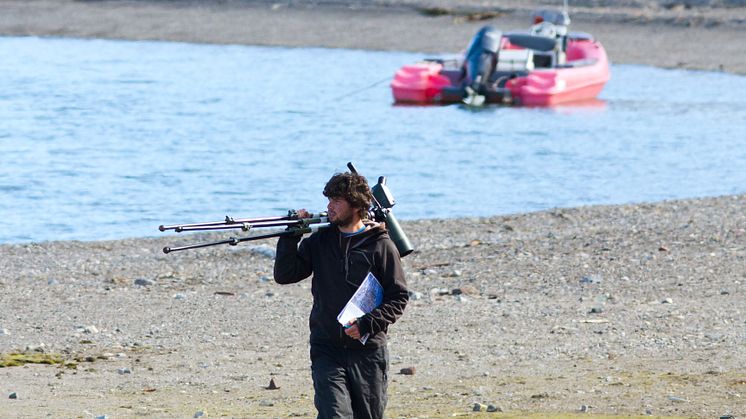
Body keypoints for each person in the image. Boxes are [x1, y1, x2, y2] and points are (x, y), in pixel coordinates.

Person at [274, 170, 409, 419]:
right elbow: (285, 274)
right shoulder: (320, 241)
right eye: (329, 200)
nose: (329, 206)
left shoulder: (381, 245)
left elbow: (398, 297)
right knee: (335, 415)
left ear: (356, 205)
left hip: (368, 350)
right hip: (326, 347)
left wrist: (368, 324)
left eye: (337, 201)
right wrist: (291, 235)